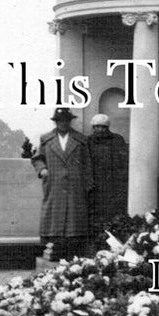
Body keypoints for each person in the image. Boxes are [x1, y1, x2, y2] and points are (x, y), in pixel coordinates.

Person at [31, 108, 93, 261]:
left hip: (75, 186)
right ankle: (55, 249)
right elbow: (37, 158)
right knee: (54, 218)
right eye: (60, 120)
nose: (63, 123)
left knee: (74, 220)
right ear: (56, 122)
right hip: (54, 185)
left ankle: (72, 252)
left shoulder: (80, 140)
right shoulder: (46, 139)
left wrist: (87, 184)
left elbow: (87, 164)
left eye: (66, 120)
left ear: (70, 121)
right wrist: (42, 170)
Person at [87, 113, 128, 238]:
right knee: (95, 216)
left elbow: (124, 162)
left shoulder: (117, 140)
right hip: (95, 185)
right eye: (97, 127)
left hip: (113, 185)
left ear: (108, 127)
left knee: (113, 215)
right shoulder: (88, 142)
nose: (100, 129)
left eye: (103, 127)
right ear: (93, 128)